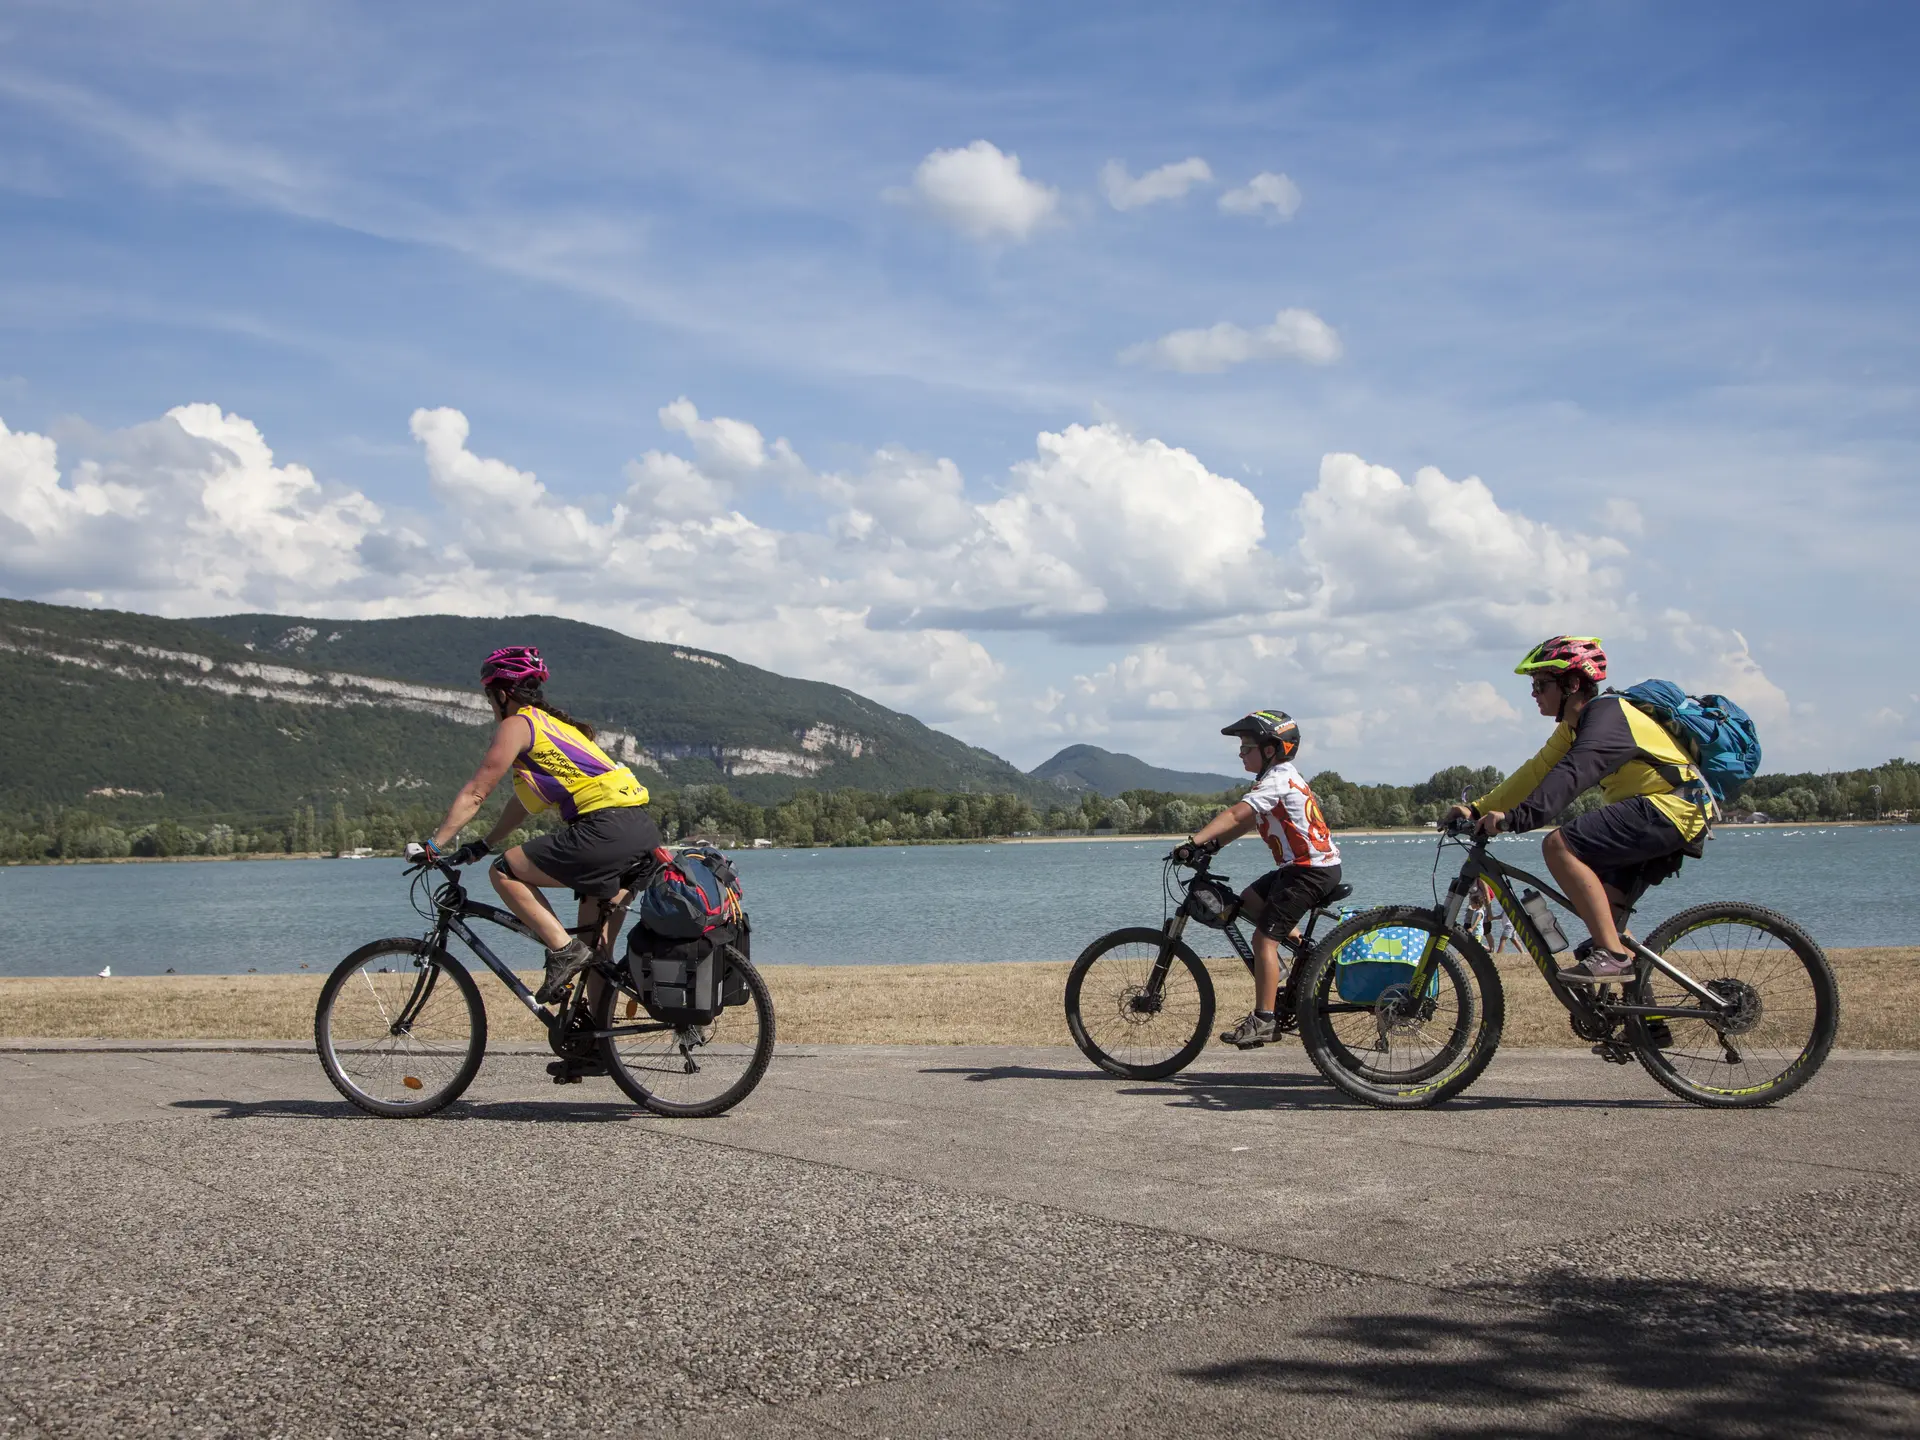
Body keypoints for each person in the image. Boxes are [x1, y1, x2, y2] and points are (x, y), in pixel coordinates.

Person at [1444, 636, 1712, 982]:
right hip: (1658, 814)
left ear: (1572, 684)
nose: (1533, 693)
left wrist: (1516, 819)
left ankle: (1615, 956)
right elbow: (1536, 772)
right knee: (1606, 937)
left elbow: (1572, 776)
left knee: (1558, 845)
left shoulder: (1608, 718)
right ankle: (1646, 1025)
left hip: (1671, 809)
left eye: (1541, 684)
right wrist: (1478, 809)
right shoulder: (1572, 728)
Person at [423, 646, 664, 1004]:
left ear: (502, 694)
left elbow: (476, 792)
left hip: (603, 830)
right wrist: (484, 843)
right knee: (595, 951)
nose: (491, 706)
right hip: (640, 832)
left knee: (504, 871)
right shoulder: (557, 728)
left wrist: (433, 844)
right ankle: (593, 1050)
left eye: (490, 697)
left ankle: (562, 949)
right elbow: (522, 804)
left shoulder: (517, 725)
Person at [1174, 710, 1343, 1048]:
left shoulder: (1279, 778)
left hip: (1309, 871)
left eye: (1246, 746)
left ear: (1271, 749)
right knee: (1249, 900)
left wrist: (1192, 842)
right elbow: (1247, 823)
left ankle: (1264, 1019)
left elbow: (1238, 813)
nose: (1240, 753)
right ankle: (1303, 961)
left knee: (1263, 941)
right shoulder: (1274, 779)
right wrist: (1214, 845)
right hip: (1302, 868)